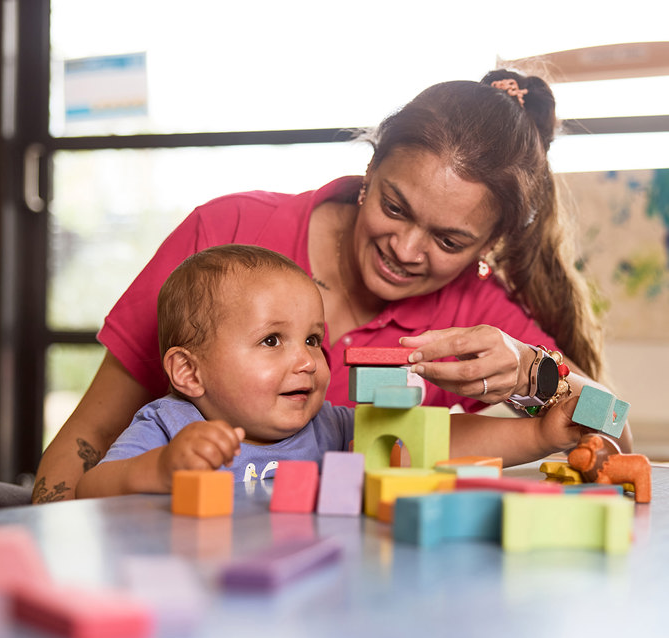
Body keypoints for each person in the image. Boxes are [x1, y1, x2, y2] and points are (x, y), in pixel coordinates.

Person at [33, 69, 630, 504]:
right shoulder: (227, 236)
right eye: (395, 207)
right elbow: (92, 437)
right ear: (370, 171)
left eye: (449, 241)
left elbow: (614, 435)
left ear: (489, 245)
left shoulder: (477, 313)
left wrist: (529, 373)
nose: (405, 250)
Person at [75, 245, 585, 498]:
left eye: (313, 340)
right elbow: (90, 489)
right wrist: (161, 468)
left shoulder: (332, 428)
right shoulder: (168, 425)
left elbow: (436, 440)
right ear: (189, 372)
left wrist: (538, 434)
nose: (307, 361)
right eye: (272, 341)